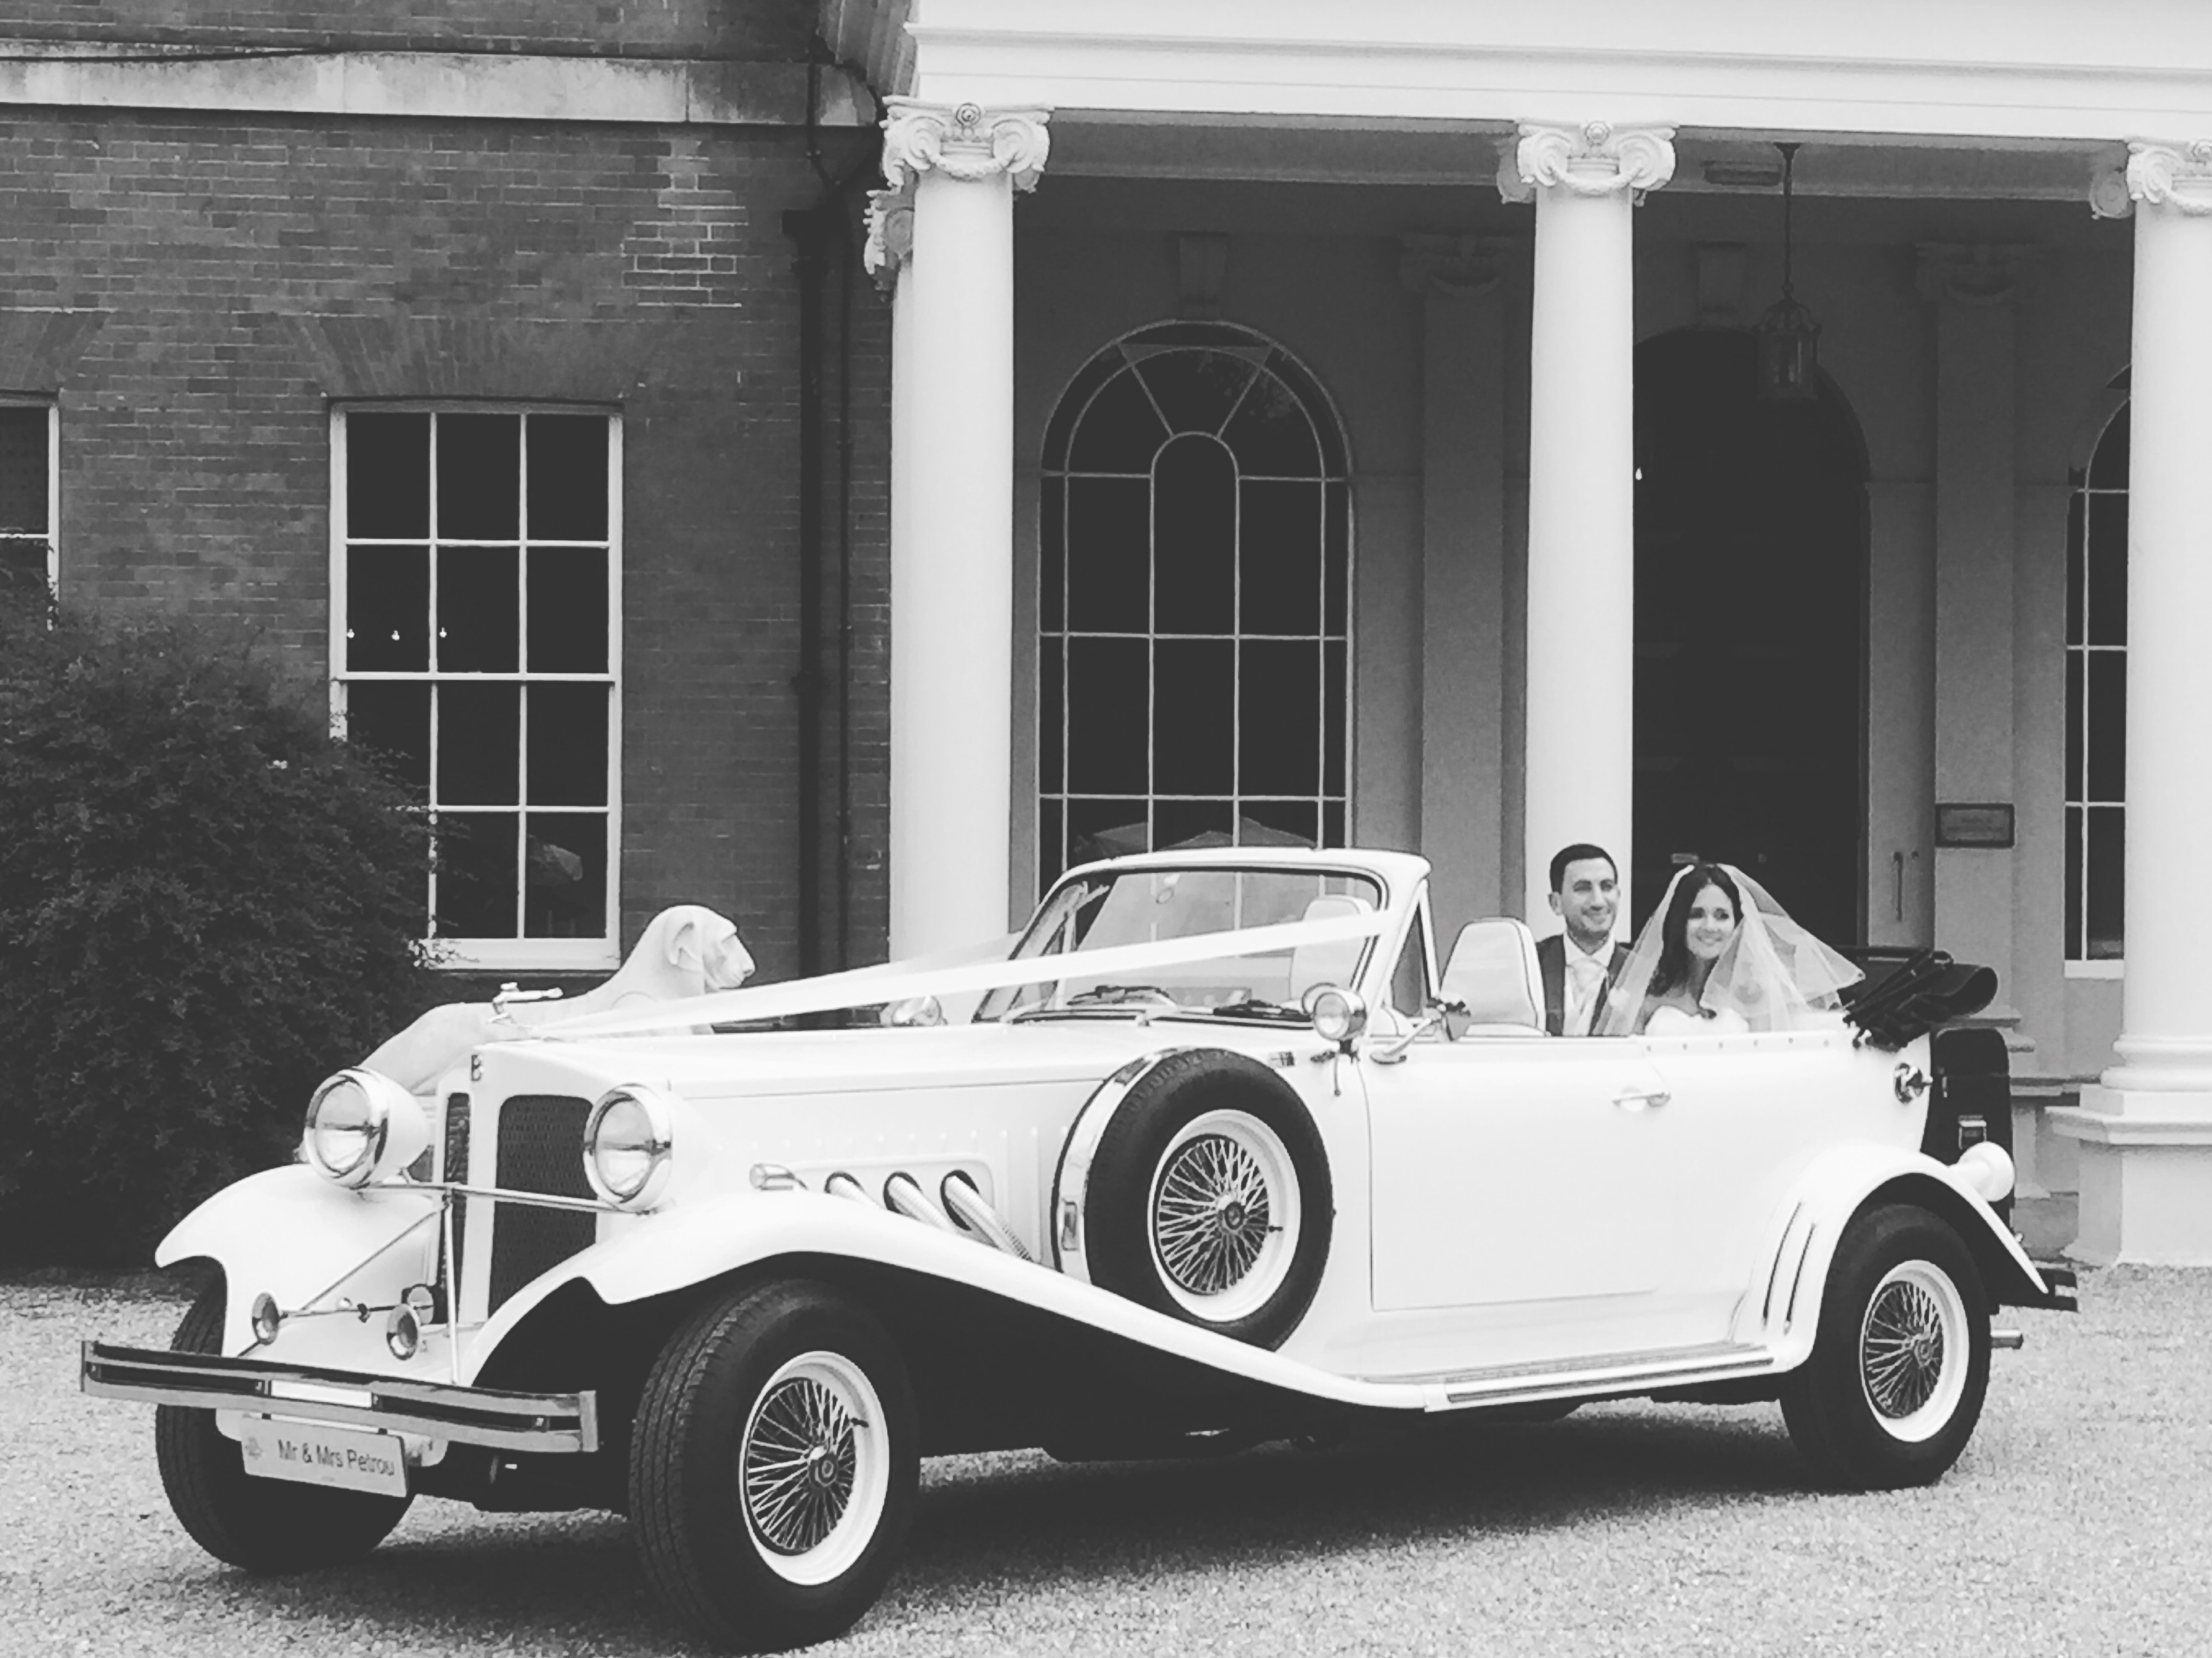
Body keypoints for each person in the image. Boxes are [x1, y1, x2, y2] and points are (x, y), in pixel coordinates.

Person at [1600, 860, 1862, 1036]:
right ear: (1678, 922)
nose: (1710, 926)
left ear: (1738, 925)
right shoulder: (1646, 995)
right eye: (1696, 914)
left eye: (1722, 916)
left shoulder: (1758, 995)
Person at [1535, 842, 1630, 1036]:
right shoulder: (1531, 964)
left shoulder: (1644, 971)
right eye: (1583, 888)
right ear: (1556, 903)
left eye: (1607, 887)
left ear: (1619, 896)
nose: (1598, 901)